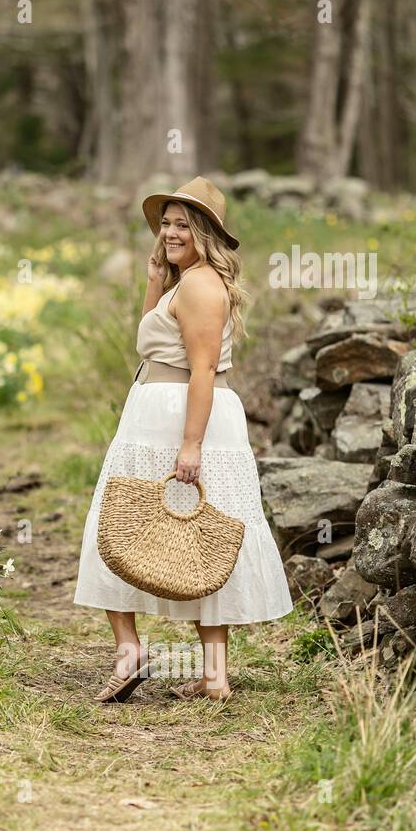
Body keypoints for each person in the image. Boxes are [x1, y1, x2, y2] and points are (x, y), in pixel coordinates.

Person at [73, 176, 294, 703]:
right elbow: (154, 343)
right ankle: (208, 673)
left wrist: (190, 445)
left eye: (181, 224)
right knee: (169, 534)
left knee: (160, 529)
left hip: (181, 414)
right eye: (166, 223)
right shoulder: (184, 280)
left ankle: (134, 651)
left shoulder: (199, 285)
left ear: (203, 231)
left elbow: (202, 368)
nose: (170, 232)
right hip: (162, 408)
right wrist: (154, 282)